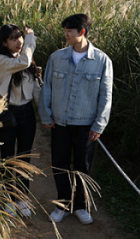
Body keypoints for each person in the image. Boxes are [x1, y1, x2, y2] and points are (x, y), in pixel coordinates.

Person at [38, 14, 113, 225]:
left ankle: (81, 206)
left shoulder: (102, 60)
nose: (66, 35)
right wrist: (46, 114)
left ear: (82, 32)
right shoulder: (56, 57)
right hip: (60, 123)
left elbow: (106, 96)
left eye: (69, 31)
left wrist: (99, 124)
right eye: (65, 31)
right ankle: (63, 205)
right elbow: (47, 88)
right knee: (59, 164)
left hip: (86, 125)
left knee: (83, 167)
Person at [0, 24, 41, 218]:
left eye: (20, 37)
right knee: (8, 159)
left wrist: (45, 115)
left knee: (24, 158)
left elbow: (37, 89)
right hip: (8, 112)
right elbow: (24, 61)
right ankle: (7, 199)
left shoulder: (26, 60)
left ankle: (22, 199)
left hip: (27, 113)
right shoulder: (1, 60)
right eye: (14, 38)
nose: (19, 41)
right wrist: (31, 38)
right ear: (4, 43)